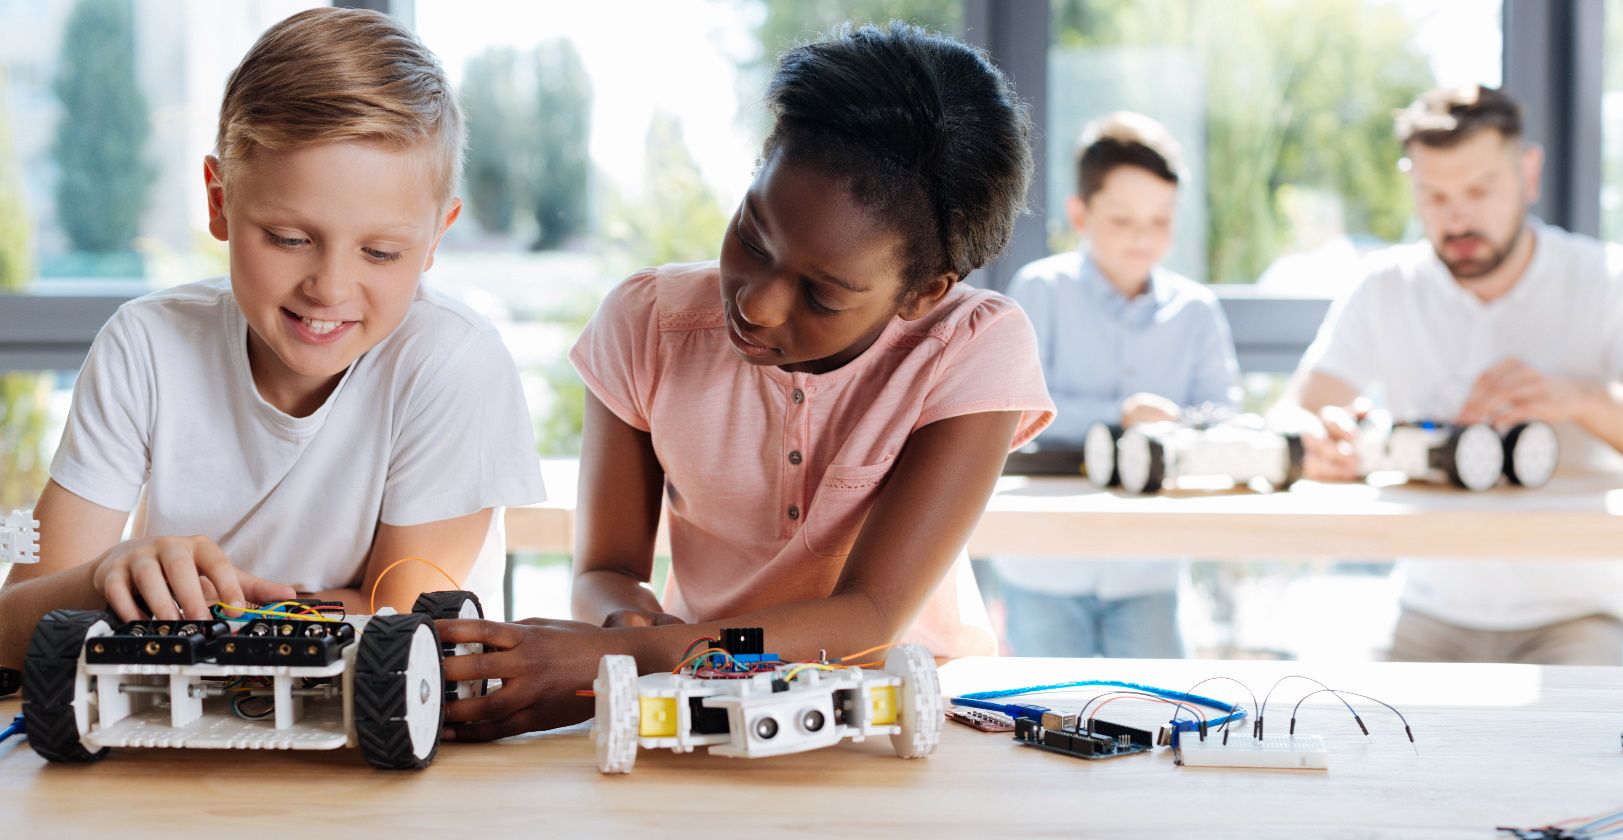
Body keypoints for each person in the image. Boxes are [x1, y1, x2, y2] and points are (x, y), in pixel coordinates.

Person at [436, 22, 1053, 741]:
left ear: (924, 292)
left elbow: (869, 621)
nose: (755, 302)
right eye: (752, 237)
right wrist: (621, 623)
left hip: (904, 724)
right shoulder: (648, 324)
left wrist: (626, 657)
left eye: (823, 295)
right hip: (702, 717)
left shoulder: (971, 346)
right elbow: (604, 568)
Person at [0, 8, 544, 667]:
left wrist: (158, 611)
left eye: (379, 253)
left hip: (388, 747)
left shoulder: (453, 363)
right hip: (172, 738)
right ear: (219, 199)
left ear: (437, 237)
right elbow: (14, 625)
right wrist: (101, 578)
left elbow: (404, 627)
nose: (330, 288)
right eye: (289, 239)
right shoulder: (144, 346)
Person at [1287, 85, 1623, 665]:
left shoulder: (1611, 277)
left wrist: (1580, 398)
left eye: (1479, 190)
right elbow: (1296, 416)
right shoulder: (1385, 286)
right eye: (1434, 195)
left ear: (1529, 173)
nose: (1457, 217)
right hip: (1428, 611)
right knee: (1356, 736)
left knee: (1589, 750)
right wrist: (1320, 441)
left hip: (1580, 615)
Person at [990, 112, 1240, 659]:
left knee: (1161, 714)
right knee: (1048, 717)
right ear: (1080, 213)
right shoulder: (1041, 290)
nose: (1144, 237)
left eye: (1160, 220)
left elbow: (1224, 417)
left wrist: (1180, 427)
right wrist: (1120, 415)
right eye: (1123, 220)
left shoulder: (1196, 312)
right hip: (1045, 562)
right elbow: (1015, 410)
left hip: (1149, 563)